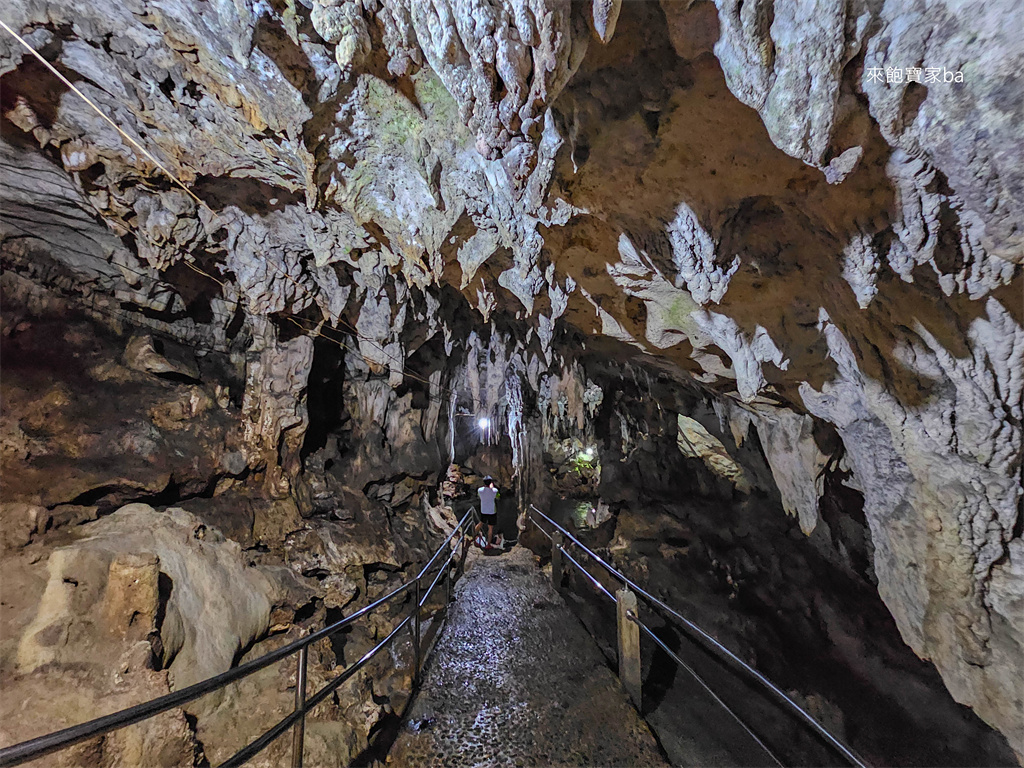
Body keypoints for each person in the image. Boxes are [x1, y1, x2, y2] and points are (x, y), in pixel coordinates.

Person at [475, 476, 500, 549]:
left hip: (483, 510)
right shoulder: (495, 491)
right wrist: (492, 488)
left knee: (481, 523)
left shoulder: (480, 490)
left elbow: (479, 496)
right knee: (490, 528)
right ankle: (488, 544)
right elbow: (498, 497)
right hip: (492, 511)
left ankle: (474, 536)